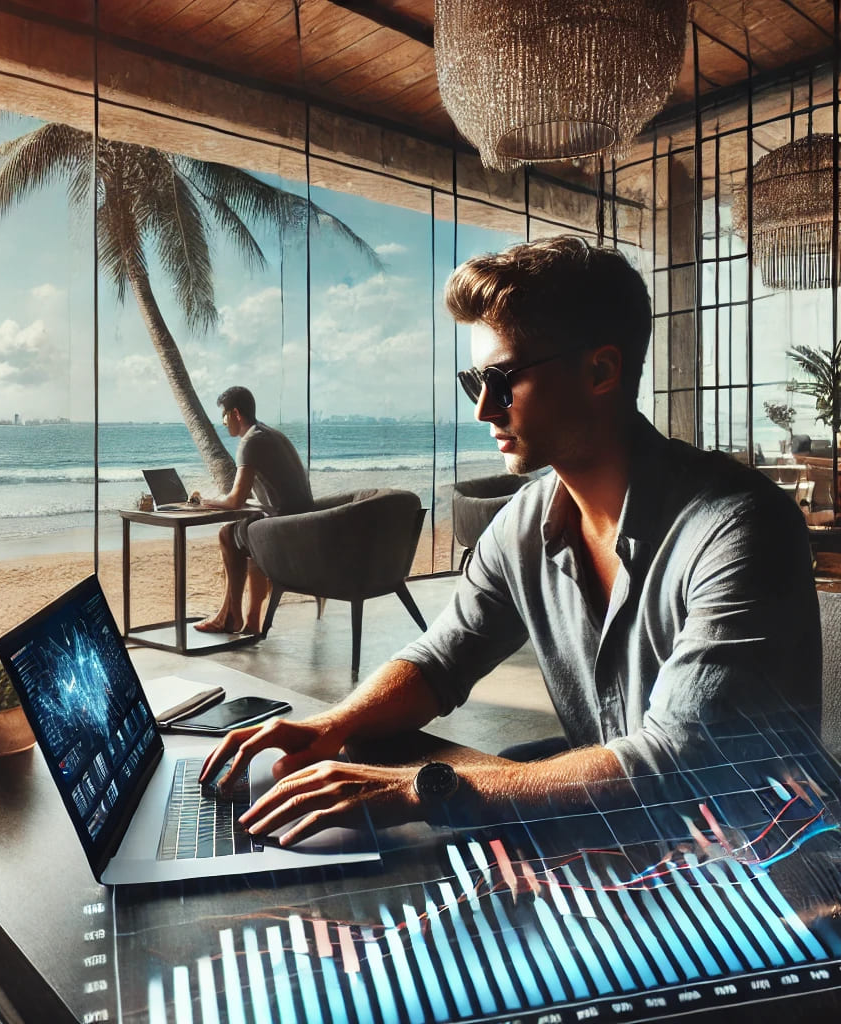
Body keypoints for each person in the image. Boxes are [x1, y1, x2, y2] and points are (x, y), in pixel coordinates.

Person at [199, 235, 821, 846]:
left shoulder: (739, 527)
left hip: (761, 875)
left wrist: (424, 789)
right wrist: (331, 725)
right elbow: (439, 661)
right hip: (629, 839)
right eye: (476, 382)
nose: (482, 408)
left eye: (504, 379)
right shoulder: (524, 525)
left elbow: (675, 766)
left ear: (600, 370)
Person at [195, 386, 313, 635]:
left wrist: (204, 500)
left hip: (285, 530)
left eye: (224, 415)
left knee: (227, 534)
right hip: (305, 525)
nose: (223, 422)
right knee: (247, 531)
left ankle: (231, 616)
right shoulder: (271, 434)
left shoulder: (250, 442)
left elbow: (236, 500)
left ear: (236, 413)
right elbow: (271, 494)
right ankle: (250, 620)